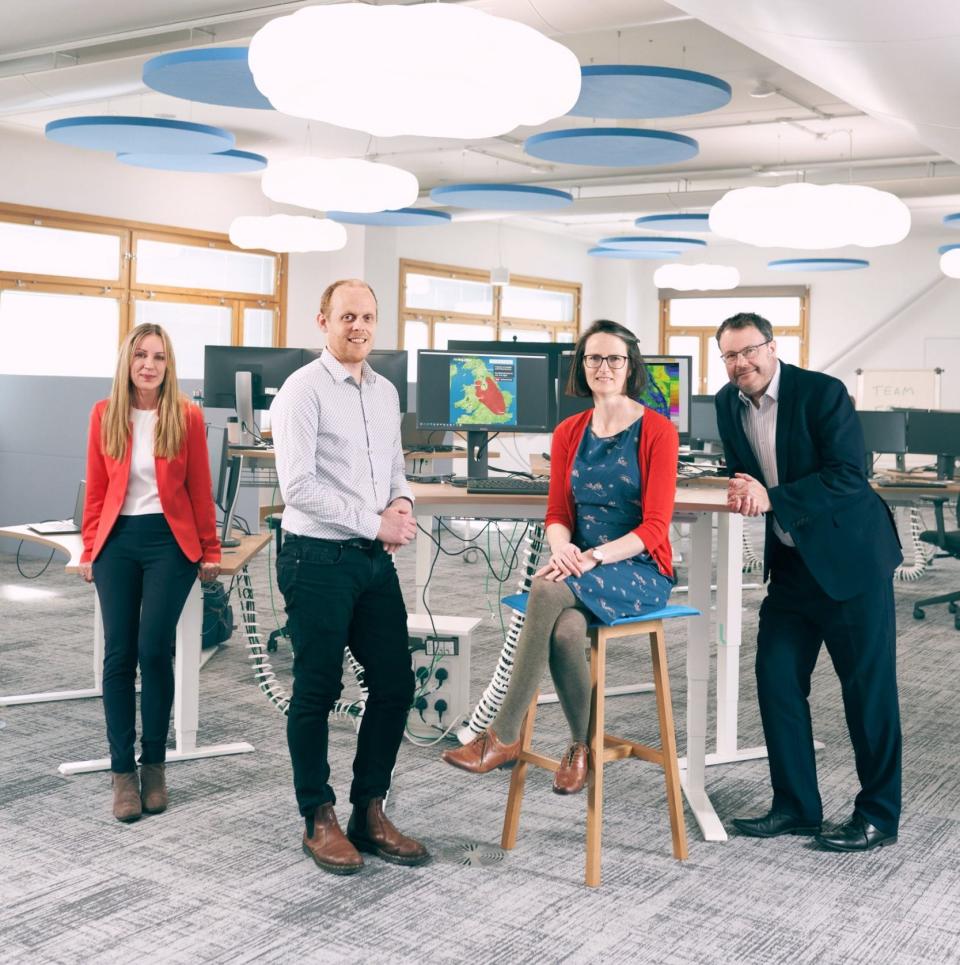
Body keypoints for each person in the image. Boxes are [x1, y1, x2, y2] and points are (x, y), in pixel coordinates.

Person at [442, 320, 679, 792]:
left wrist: (589, 559)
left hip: (637, 566)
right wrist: (564, 548)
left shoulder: (657, 431)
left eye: (614, 358)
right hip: (579, 565)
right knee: (567, 631)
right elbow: (556, 512)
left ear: (630, 366)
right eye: (594, 358)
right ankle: (580, 747)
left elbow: (654, 528)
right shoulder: (570, 431)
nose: (604, 367)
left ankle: (502, 735)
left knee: (546, 588)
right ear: (582, 366)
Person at [714, 312, 902, 852]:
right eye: (729, 355)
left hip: (852, 563)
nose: (740, 363)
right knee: (776, 680)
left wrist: (775, 497)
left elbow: (847, 474)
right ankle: (796, 805)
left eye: (748, 351)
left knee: (867, 693)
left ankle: (878, 816)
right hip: (793, 565)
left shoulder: (821, 393)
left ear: (772, 348)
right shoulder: (729, 403)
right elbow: (745, 472)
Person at [271, 278, 428, 875]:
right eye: (346, 317)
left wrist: (403, 504)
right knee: (318, 689)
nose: (358, 326)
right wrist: (374, 521)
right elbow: (299, 488)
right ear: (323, 321)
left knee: (394, 684)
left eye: (367, 316)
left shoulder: (384, 392)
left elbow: (393, 466)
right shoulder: (301, 392)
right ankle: (318, 815)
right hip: (317, 559)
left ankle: (369, 809)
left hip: (369, 561)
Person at [79, 323, 221, 823]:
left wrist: (210, 548)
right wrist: (89, 549)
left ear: (168, 365)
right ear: (128, 361)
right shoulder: (105, 414)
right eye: (141, 355)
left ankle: (154, 765)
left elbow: (200, 490)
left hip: (169, 542)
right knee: (119, 653)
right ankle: (122, 773)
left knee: (153, 648)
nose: (149, 364)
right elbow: (97, 492)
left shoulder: (185, 415)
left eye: (159, 357)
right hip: (117, 541)